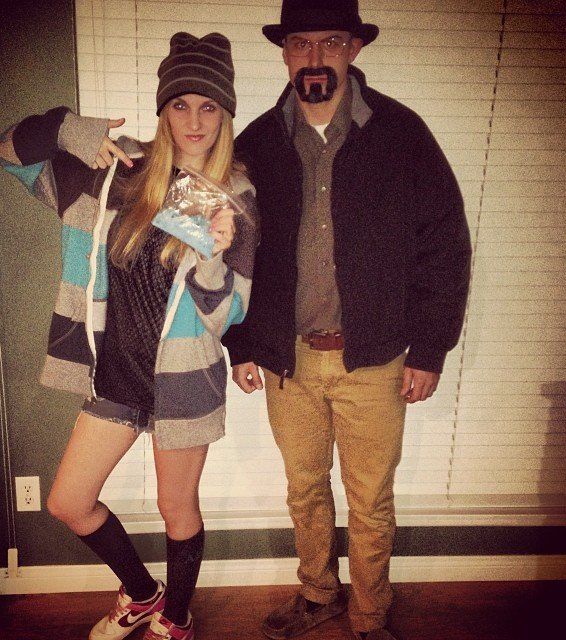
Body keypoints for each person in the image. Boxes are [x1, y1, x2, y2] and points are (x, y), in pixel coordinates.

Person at [0, 32, 257, 640]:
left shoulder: (234, 194)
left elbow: (233, 311)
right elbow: (8, 152)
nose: (194, 120)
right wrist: (70, 131)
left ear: (225, 114)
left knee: (175, 508)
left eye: (209, 106)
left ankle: (176, 615)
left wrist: (215, 257)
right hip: (115, 372)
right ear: (163, 109)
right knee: (68, 501)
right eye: (181, 104)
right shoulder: (115, 171)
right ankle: (141, 592)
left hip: (183, 378)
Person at [222, 1, 472, 639]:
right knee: (304, 489)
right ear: (284, 53)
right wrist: (240, 341)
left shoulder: (402, 133)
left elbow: (445, 244)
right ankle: (318, 595)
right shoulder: (252, 144)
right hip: (289, 361)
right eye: (301, 43)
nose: (314, 58)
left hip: (377, 359)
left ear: (354, 49)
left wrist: (430, 350)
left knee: (369, 500)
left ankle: (368, 617)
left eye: (330, 42)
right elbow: (226, 250)